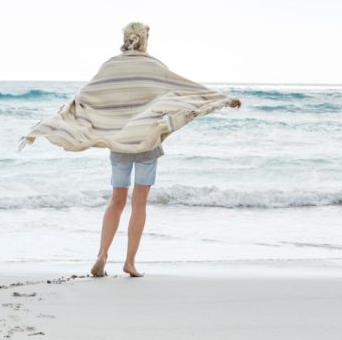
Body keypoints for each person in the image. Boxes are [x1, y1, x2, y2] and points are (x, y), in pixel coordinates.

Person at [18, 22, 241, 278]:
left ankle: (102, 255)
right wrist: (222, 98)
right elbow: (184, 88)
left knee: (117, 200)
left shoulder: (110, 66)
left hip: (120, 144)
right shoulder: (153, 66)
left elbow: (85, 96)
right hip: (146, 142)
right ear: (145, 40)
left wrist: (63, 117)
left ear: (124, 39)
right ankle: (130, 263)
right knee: (139, 203)